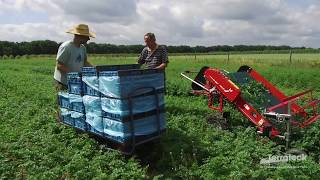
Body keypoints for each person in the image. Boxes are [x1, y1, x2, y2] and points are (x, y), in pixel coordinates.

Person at [53, 24, 95, 91]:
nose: (89, 39)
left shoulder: (82, 48)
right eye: (87, 36)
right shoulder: (66, 47)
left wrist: (95, 69)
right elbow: (59, 65)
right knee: (62, 101)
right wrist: (75, 75)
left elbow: (85, 62)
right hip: (63, 83)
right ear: (80, 36)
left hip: (75, 81)